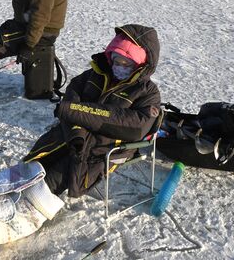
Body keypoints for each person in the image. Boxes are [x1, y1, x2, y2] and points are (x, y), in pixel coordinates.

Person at [24, 24, 161, 198]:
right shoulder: (95, 74)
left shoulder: (148, 92)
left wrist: (75, 111)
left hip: (104, 148)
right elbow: (73, 94)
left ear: (140, 65)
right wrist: (77, 132)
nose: (118, 66)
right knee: (32, 167)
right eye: (116, 60)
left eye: (126, 63)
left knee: (50, 182)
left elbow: (134, 126)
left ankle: (27, 211)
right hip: (72, 137)